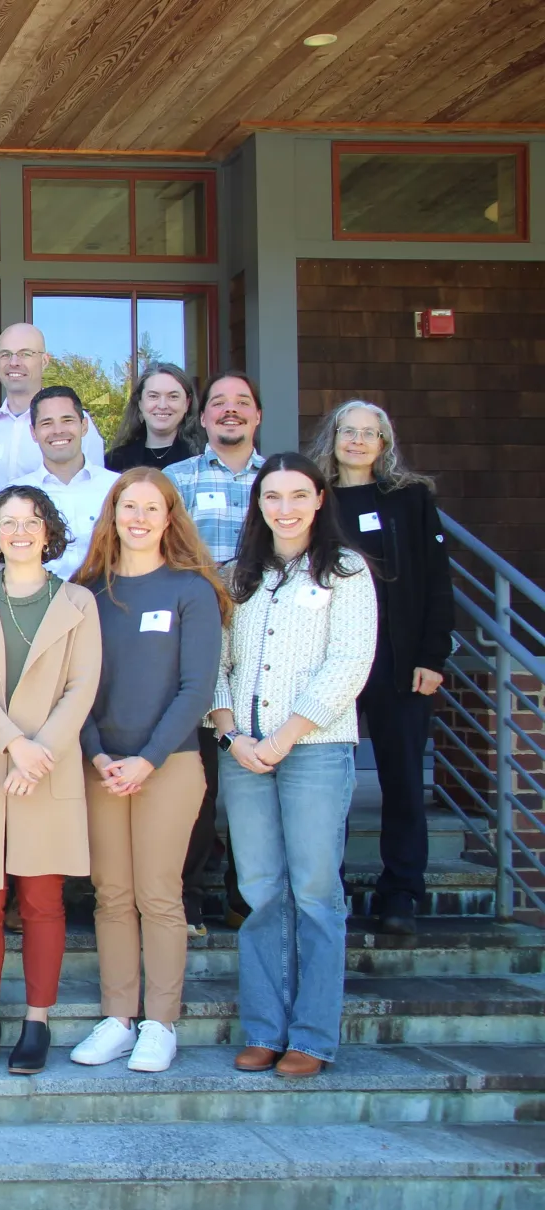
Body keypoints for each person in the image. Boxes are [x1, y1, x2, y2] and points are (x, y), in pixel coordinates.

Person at [214, 454, 375, 1079]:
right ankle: (263, 1027)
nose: (285, 507)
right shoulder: (238, 576)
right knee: (260, 893)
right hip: (243, 754)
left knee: (314, 892)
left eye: (297, 495)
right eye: (272, 496)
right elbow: (217, 665)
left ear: (319, 500)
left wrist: (284, 735)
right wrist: (232, 736)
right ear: (258, 504)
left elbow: (349, 664)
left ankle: (311, 1036)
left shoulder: (345, 572)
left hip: (313, 748)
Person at [68, 469, 229, 1074]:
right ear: (111, 514)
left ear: (169, 517)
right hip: (102, 766)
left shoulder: (191, 590)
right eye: (127, 506)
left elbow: (197, 688)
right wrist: (97, 754)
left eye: (151, 508)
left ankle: (160, 1024)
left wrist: (148, 758)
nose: (138, 518)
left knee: (159, 896)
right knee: (112, 896)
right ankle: (118, 1016)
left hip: (170, 763)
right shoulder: (87, 590)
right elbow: (72, 685)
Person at [0, 485, 101, 1075]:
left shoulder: (79, 603)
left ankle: (36, 1021)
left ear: (48, 529)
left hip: (48, 767)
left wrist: (38, 752)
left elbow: (81, 687)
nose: (19, 531)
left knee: (41, 900)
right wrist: (13, 743)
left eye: (30, 521)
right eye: (8, 522)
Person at [312, 401, 454, 937]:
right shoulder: (317, 499)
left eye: (370, 433)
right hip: (330, 661)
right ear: (334, 437)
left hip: (399, 660)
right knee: (329, 782)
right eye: (348, 431)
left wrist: (432, 656)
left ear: (384, 443)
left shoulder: (410, 499)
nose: (357, 440)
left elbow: (437, 579)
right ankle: (331, 890)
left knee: (401, 780)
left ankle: (401, 893)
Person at [165, 371, 267, 937]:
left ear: (257, 416)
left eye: (242, 404)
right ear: (200, 419)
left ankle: (249, 896)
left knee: (256, 777)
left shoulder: (279, 480)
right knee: (198, 781)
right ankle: (189, 893)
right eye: (218, 404)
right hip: (195, 642)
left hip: (264, 647)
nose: (230, 412)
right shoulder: (176, 480)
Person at [0, 322, 106, 497]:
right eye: (5, 354)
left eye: (25, 354)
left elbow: (95, 489)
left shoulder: (74, 427)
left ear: (45, 361)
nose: (14, 363)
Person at [11, 384, 119, 582]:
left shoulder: (117, 488)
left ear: (84, 426)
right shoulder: (15, 496)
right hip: (41, 607)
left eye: (67, 420)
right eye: (47, 423)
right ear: (33, 433)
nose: (58, 431)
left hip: (107, 603)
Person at [105, 362, 201, 473]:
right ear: (140, 402)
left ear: (187, 404)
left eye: (173, 396)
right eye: (153, 396)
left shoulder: (202, 458)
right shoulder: (114, 461)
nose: (162, 405)